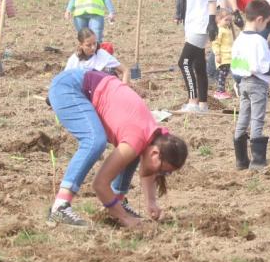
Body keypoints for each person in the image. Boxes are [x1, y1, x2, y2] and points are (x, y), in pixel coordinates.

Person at [46, 68, 188, 227]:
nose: (160, 174)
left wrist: (151, 202)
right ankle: (60, 206)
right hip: (69, 87)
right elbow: (100, 184)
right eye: (162, 170)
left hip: (88, 85)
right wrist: (125, 219)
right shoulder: (138, 138)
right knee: (94, 140)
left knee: (132, 154)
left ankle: (117, 202)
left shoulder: (154, 138)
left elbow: (148, 169)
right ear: (155, 153)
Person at [231, 0, 270, 170]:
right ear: (259, 20)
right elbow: (259, 66)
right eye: (267, 23)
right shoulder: (258, 41)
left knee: (243, 118)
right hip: (257, 85)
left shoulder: (239, 39)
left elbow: (238, 64)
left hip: (243, 83)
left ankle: (241, 160)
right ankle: (258, 161)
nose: (267, 27)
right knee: (257, 119)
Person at [168, 0, 218, 114]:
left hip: (201, 23)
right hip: (191, 24)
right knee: (198, 65)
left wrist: (212, 21)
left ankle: (193, 101)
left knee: (184, 62)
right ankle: (203, 104)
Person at [212, 9, 235, 100]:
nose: (228, 22)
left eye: (229, 20)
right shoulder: (219, 30)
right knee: (223, 74)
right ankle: (220, 91)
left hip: (229, 56)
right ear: (218, 20)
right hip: (223, 56)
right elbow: (215, 43)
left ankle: (222, 90)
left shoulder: (226, 29)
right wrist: (217, 54)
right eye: (226, 20)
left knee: (225, 74)